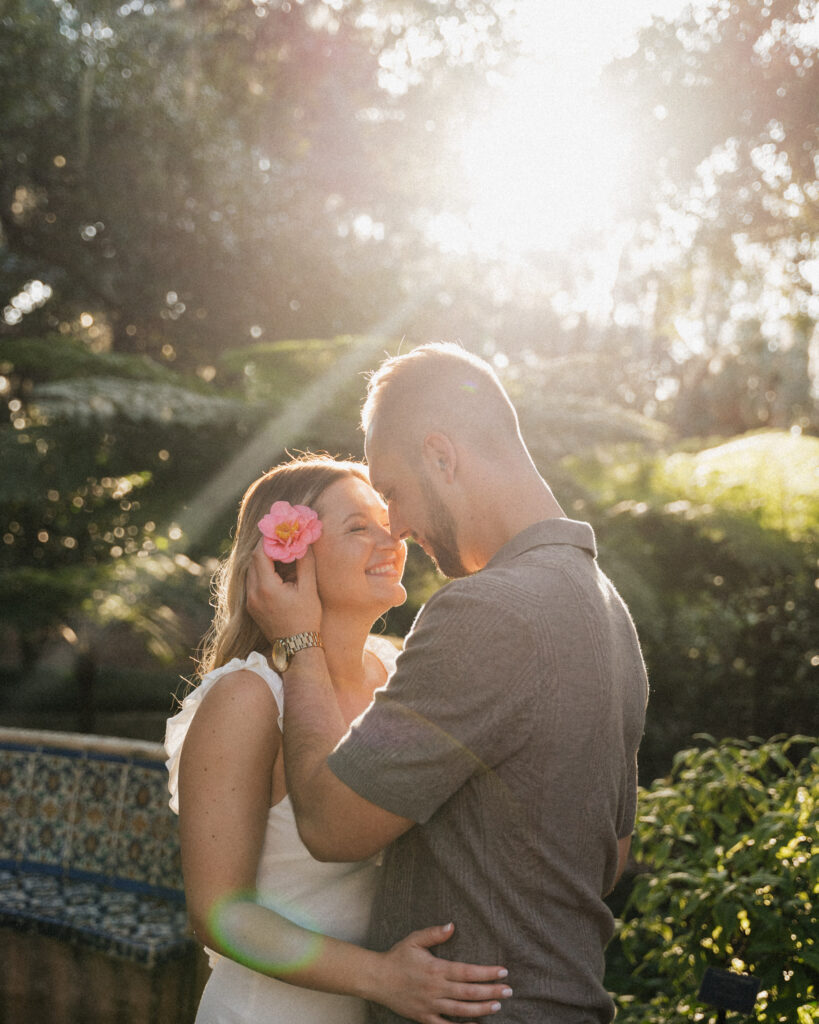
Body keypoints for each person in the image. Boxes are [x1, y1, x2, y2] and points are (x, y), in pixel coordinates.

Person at [246, 343, 650, 1024]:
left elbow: (330, 825)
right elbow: (609, 861)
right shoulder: (607, 610)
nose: (395, 525)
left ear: (442, 455)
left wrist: (299, 642)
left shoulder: (488, 611)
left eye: (393, 491)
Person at [164, 455, 513, 1024]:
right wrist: (382, 977)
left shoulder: (396, 672)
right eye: (358, 527)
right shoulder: (250, 699)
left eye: (386, 520)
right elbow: (216, 912)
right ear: (288, 561)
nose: (391, 538)